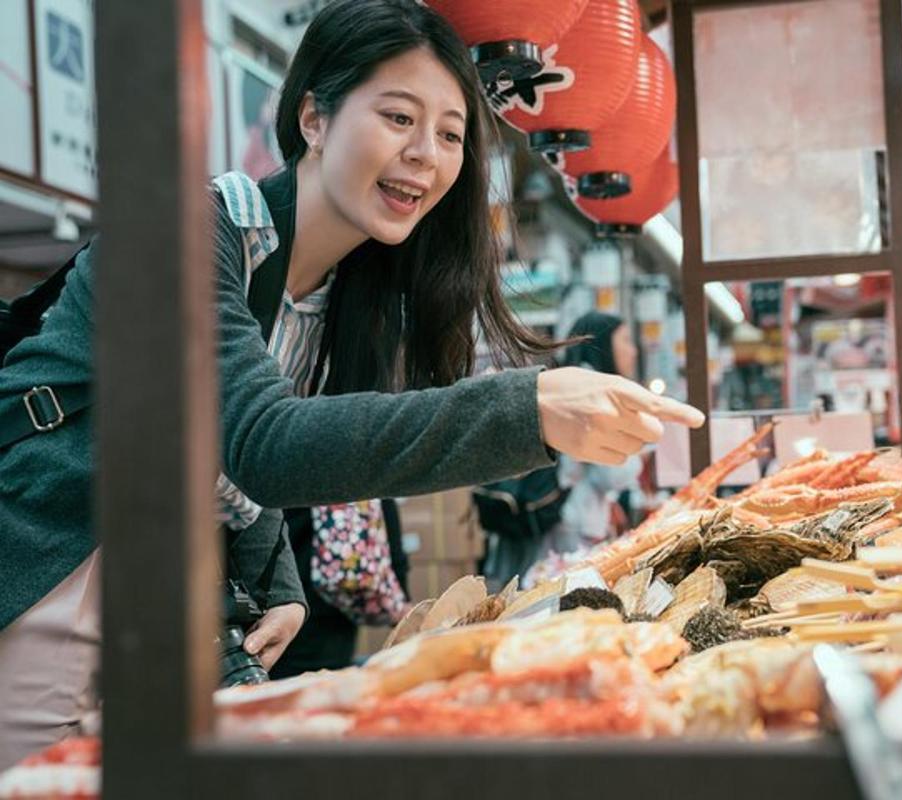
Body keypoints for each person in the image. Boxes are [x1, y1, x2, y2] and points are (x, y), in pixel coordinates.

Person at [0, 0, 703, 769]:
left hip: (153, 597)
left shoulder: (335, 295)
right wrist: (526, 406)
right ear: (313, 118)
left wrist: (279, 581)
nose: (425, 156)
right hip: (47, 569)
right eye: (399, 117)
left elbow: (224, 451)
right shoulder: (191, 234)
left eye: (448, 134)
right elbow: (263, 443)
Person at [552, 312, 646, 554]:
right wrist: (640, 454)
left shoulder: (573, 383)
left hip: (567, 518)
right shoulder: (594, 392)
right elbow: (612, 475)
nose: (633, 351)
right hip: (576, 525)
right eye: (625, 340)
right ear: (602, 345)